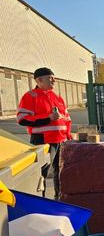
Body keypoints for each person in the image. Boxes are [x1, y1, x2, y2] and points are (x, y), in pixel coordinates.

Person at [17, 67, 72, 199]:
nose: (54, 80)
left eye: (54, 77)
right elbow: (22, 119)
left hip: (61, 140)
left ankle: (59, 199)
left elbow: (67, 119)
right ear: (39, 80)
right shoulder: (30, 96)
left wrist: (68, 136)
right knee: (41, 174)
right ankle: (40, 201)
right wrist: (48, 118)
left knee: (61, 173)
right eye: (50, 78)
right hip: (42, 140)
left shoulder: (57, 97)